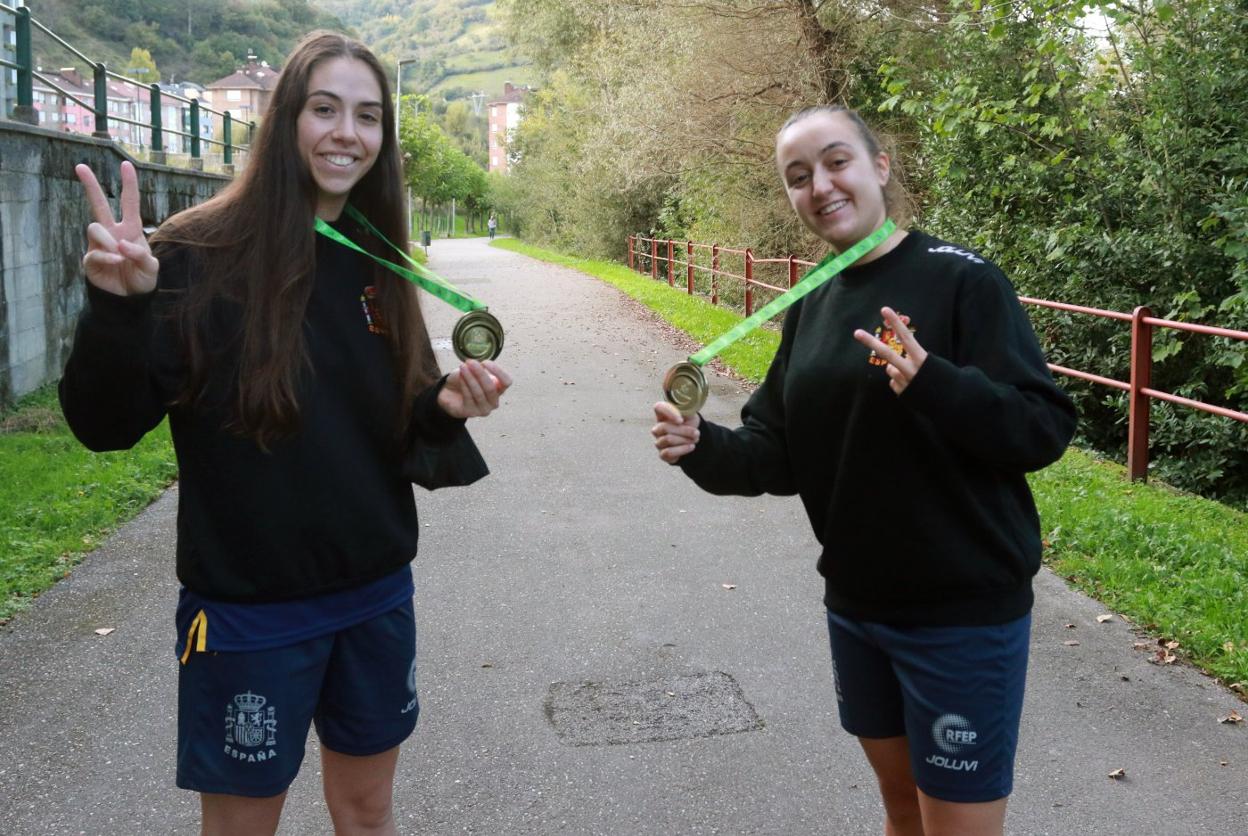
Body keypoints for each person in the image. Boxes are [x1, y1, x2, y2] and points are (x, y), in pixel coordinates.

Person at [60, 31, 512, 836]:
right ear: (285, 122)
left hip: (374, 596)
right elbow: (105, 426)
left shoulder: (378, 258)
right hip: (248, 615)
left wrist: (442, 404)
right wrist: (119, 308)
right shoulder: (195, 253)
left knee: (368, 813)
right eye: (326, 109)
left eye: (369, 117)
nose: (349, 133)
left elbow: (389, 420)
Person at [650, 105, 1076, 836]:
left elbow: (1042, 427)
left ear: (880, 167)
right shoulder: (811, 301)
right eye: (798, 176)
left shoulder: (965, 281)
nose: (820, 185)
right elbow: (777, 449)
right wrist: (702, 447)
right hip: (857, 608)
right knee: (901, 810)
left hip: (961, 618)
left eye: (836, 161)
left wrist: (935, 382)